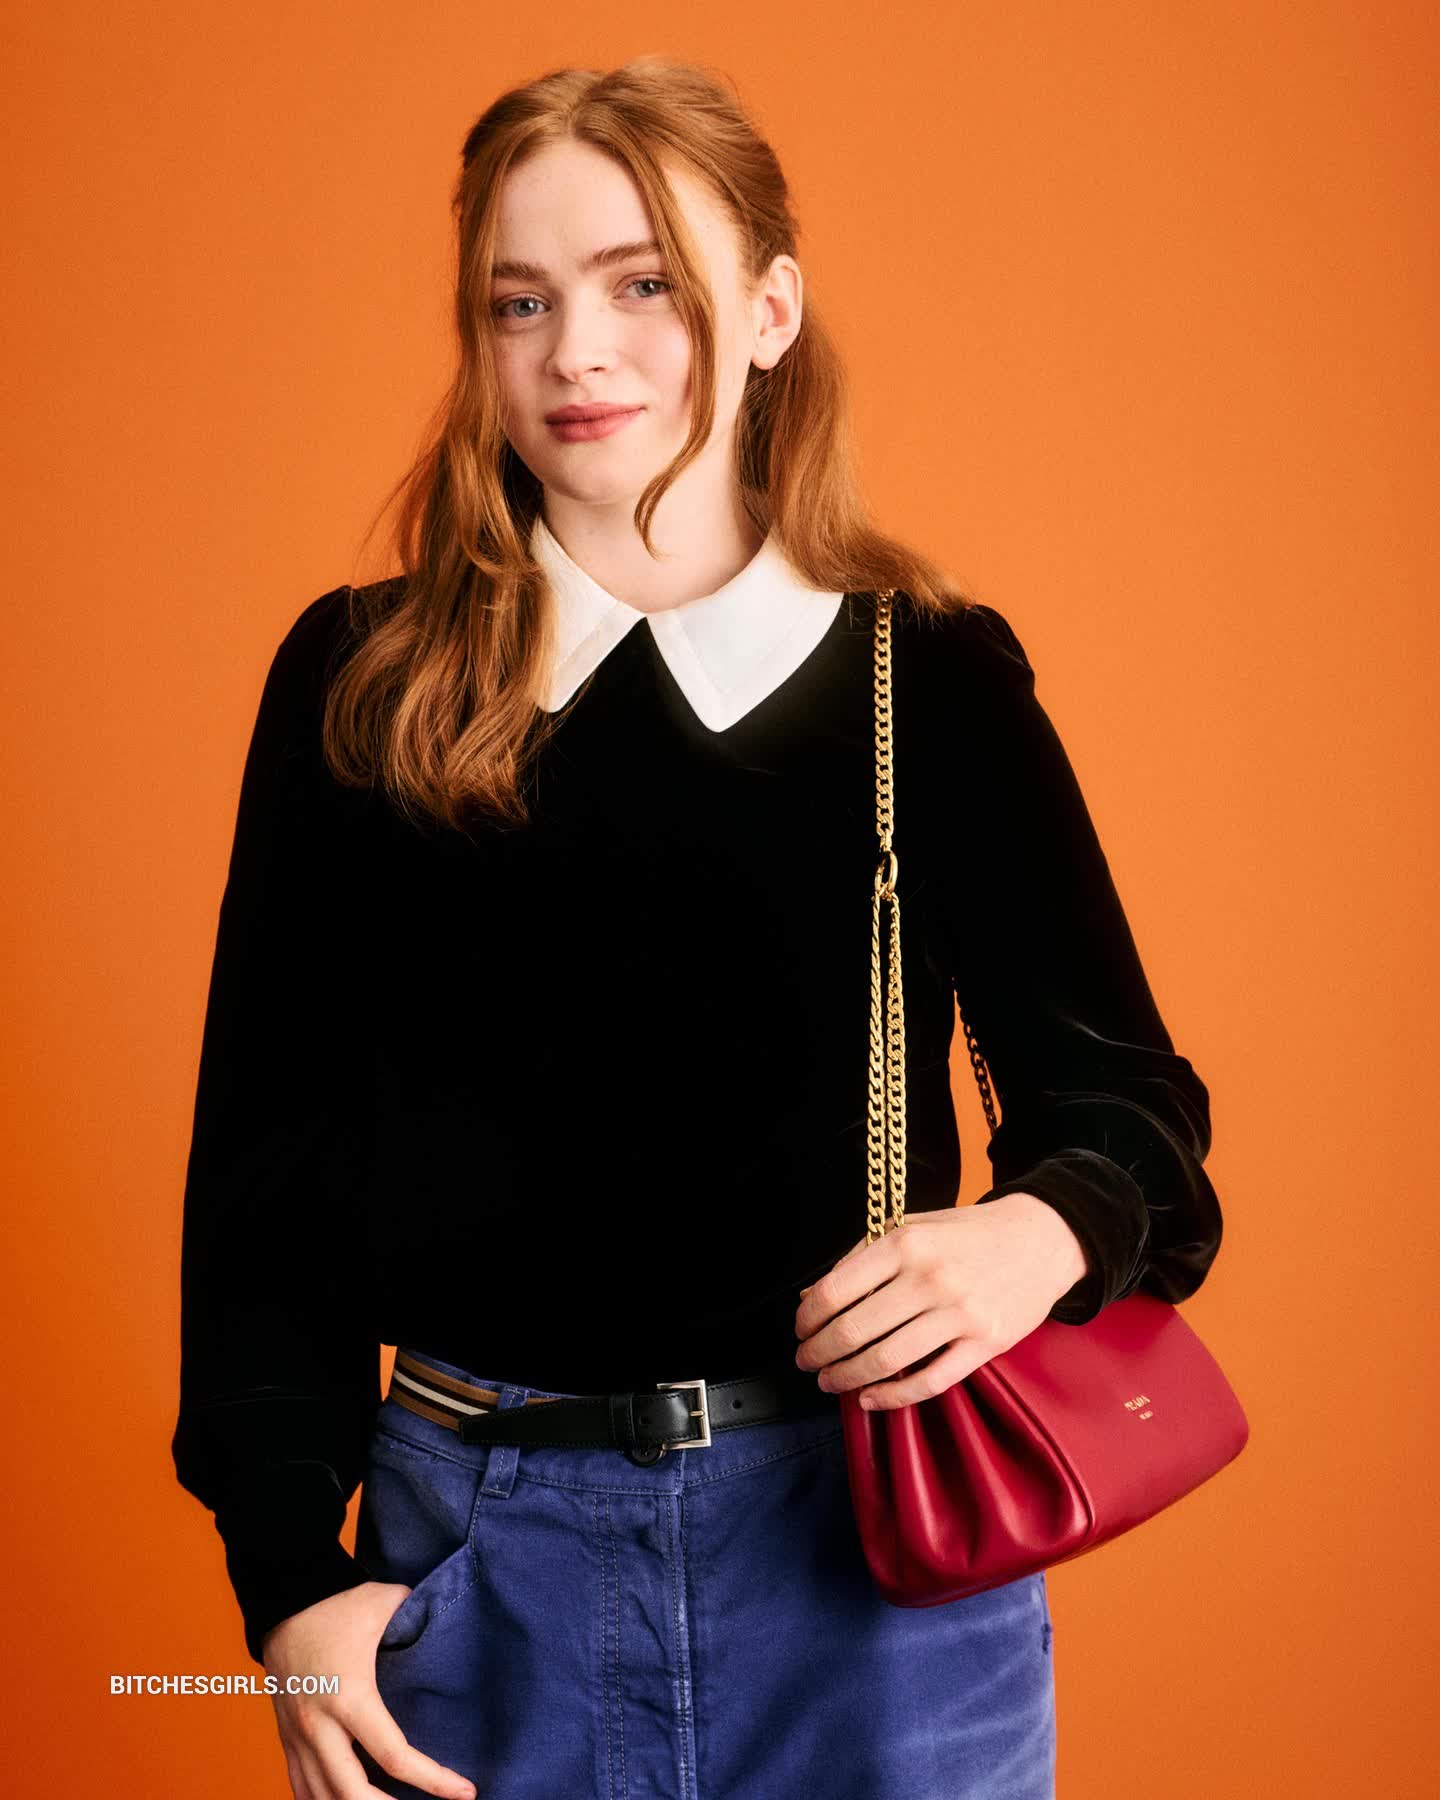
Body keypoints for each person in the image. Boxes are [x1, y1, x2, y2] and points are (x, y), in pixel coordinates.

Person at [171, 54, 1224, 1800]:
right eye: (520, 301)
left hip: (875, 1565)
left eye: (643, 284)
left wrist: (1040, 1229)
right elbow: (264, 1182)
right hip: (472, 1554)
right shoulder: (363, 679)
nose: (575, 353)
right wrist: (290, 1580)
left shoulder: (926, 679)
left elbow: (1134, 1117)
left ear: (771, 312)